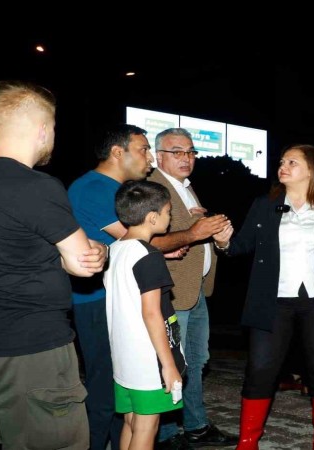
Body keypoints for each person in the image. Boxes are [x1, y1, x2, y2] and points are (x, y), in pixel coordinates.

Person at [0, 80, 107, 449]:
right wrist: (100, 248)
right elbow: (83, 263)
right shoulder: (36, 185)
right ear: (42, 129)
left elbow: (16, 248)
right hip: (31, 345)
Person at [214, 144, 314, 450]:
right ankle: (247, 442)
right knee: (260, 369)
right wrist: (223, 242)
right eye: (282, 162)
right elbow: (241, 245)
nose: (282, 167)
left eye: (292, 162)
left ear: (312, 170)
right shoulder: (265, 204)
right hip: (272, 301)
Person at [67, 124, 156, 449]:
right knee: (104, 387)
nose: (150, 158)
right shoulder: (94, 188)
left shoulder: (113, 189)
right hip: (96, 300)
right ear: (118, 152)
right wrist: (191, 233)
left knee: (122, 387)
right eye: (143, 149)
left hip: (115, 299)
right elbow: (136, 240)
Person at [148, 128, 235, 450]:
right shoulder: (154, 187)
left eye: (190, 152)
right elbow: (147, 239)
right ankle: (167, 434)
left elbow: (195, 232)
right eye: (177, 152)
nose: (186, 158)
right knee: (172, 361)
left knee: (196, 360)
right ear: (159, 156)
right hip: (171, 290)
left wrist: (219, 237)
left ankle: (196, 426)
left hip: (194, 290)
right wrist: (196, 229)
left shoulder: (184, 187)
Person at [105, 180, 187, 450]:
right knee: (146, 427)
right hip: (148, 358)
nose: (170, 218)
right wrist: (168, 365)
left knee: (131, 421)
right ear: (152, 217)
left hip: (123, 356)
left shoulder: (115, 249)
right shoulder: (149, 256)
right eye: (168, 212)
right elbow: (152, 313)